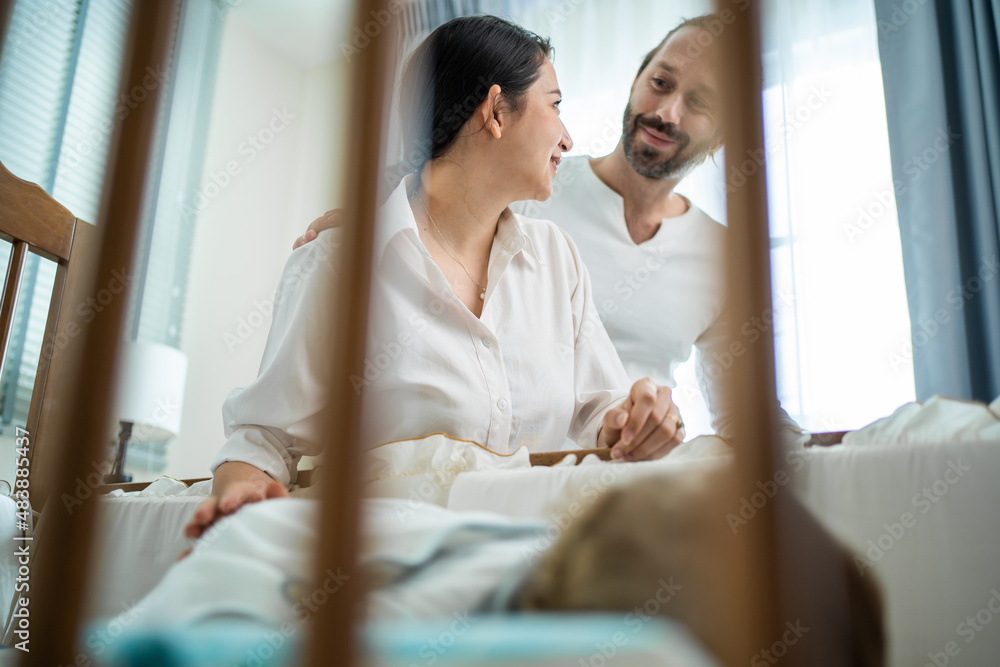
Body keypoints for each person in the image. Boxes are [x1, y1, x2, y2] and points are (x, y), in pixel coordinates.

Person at [186, 15, 687, 540]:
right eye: (555, 105)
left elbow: (600, 414)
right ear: (495, 111)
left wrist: (635, 421)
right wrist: (241, 495)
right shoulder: (340, 265)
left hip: (540, 564)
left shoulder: (557, 260)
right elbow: (264, 438)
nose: (567, 137)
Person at [296, 14, 801, 442]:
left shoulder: (725, 255)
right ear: (636, 79)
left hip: (621, 468)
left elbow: (745, 414)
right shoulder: (532, 188)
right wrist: (381, 217)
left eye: (700, 103)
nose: (666, 112)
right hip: (510, 468)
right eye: (661, 82)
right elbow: (450, 187)